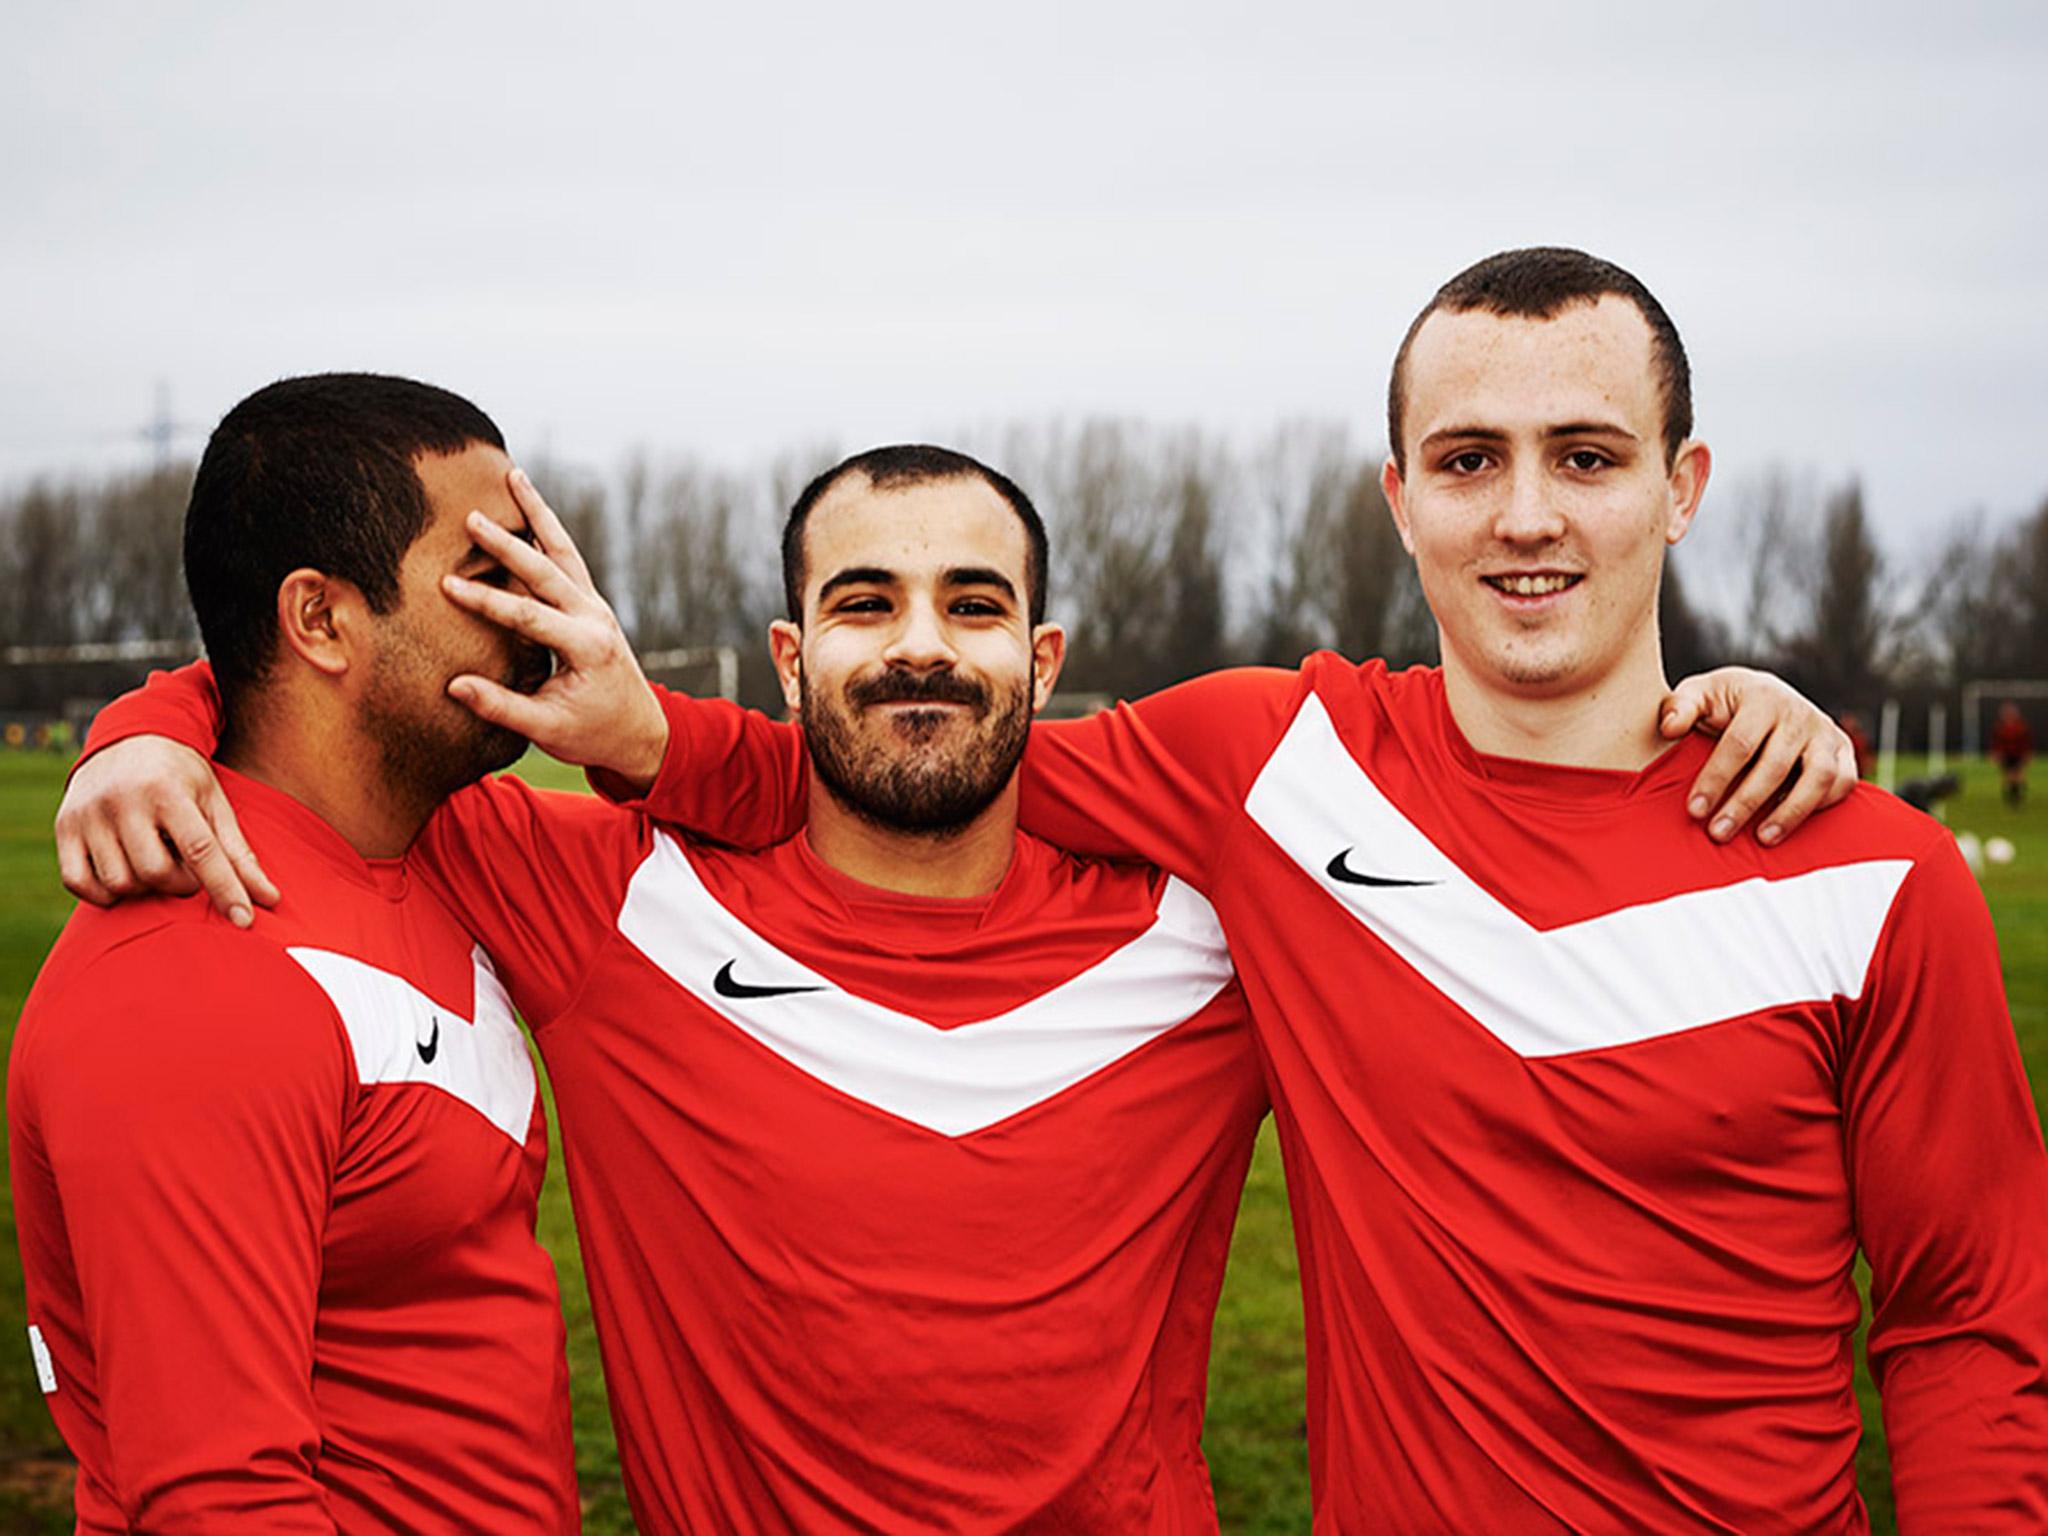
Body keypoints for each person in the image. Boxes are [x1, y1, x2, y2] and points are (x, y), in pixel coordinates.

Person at [439, 250, 2048, 1530]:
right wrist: (658, 741)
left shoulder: (1873, 875)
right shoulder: (1273, 772)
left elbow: (1974, 1318)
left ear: (1683, 485)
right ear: (1400, 496)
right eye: (1470, 459)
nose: (1529, 514)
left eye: (1590, 456)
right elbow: (924, 753)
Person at [56, 458, 1855, 1526]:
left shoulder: (1222, 917)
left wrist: (1733, 703)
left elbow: (1519, 776)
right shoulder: (601, 897)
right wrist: (142, 731)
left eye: (971, 603)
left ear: (1043, 658)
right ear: (789, 653)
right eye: (864, 601)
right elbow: (320, 703)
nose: (918, 643)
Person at [9, 376, 585, 1531]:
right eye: (486, 574)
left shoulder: (456, 848)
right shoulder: (186, 968)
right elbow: (220, 1497)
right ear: (320, 619)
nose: (537, 613)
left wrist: (149, 719)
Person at [1990, 698, 2033, 806]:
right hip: (2006, 754)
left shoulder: (2021, 726)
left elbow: (2026, 741)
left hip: (2018, 754)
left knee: (2017, 774)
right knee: (2008, 775)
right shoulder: (2000, 727)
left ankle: (2017, 794)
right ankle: (2012, 794)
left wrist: (2027, 754)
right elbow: (1997, 742)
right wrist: (1996, 753)